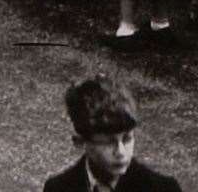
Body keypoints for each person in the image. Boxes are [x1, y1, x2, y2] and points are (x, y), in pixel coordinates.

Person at [44, 75, 182, 192]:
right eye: (108, 142)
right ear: (80, 142)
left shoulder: (162, 188)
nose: (121, 152)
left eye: (127, 139)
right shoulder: (57, 188)